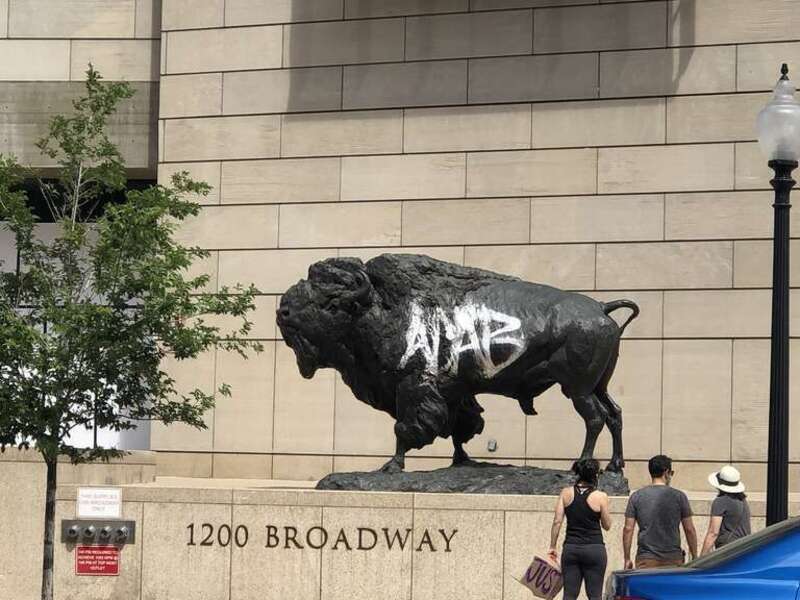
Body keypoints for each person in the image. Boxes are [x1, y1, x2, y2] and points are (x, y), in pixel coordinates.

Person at [548, 458, 612, 600]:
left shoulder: (565, 493)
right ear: (595, 475)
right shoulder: (601, 496)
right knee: (595, 595)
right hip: (595, 549)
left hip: (571, 549)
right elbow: (607, 525)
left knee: (569, 595)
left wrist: (552, 546)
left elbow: (557, 521)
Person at [623, 455, 697, 569]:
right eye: (671, 473)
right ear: (666, 472)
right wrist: (695, 556)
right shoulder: (679, 496)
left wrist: (627, 558)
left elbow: (628, 529)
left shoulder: (636, 496)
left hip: (646, 558)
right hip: (673, 558)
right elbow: (689, 529)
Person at [701, 465, 751, 555]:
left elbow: (713, 533)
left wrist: (702, 557)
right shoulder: (743, 500)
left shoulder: (721, 501)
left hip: (727, 550)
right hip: (744, 548)